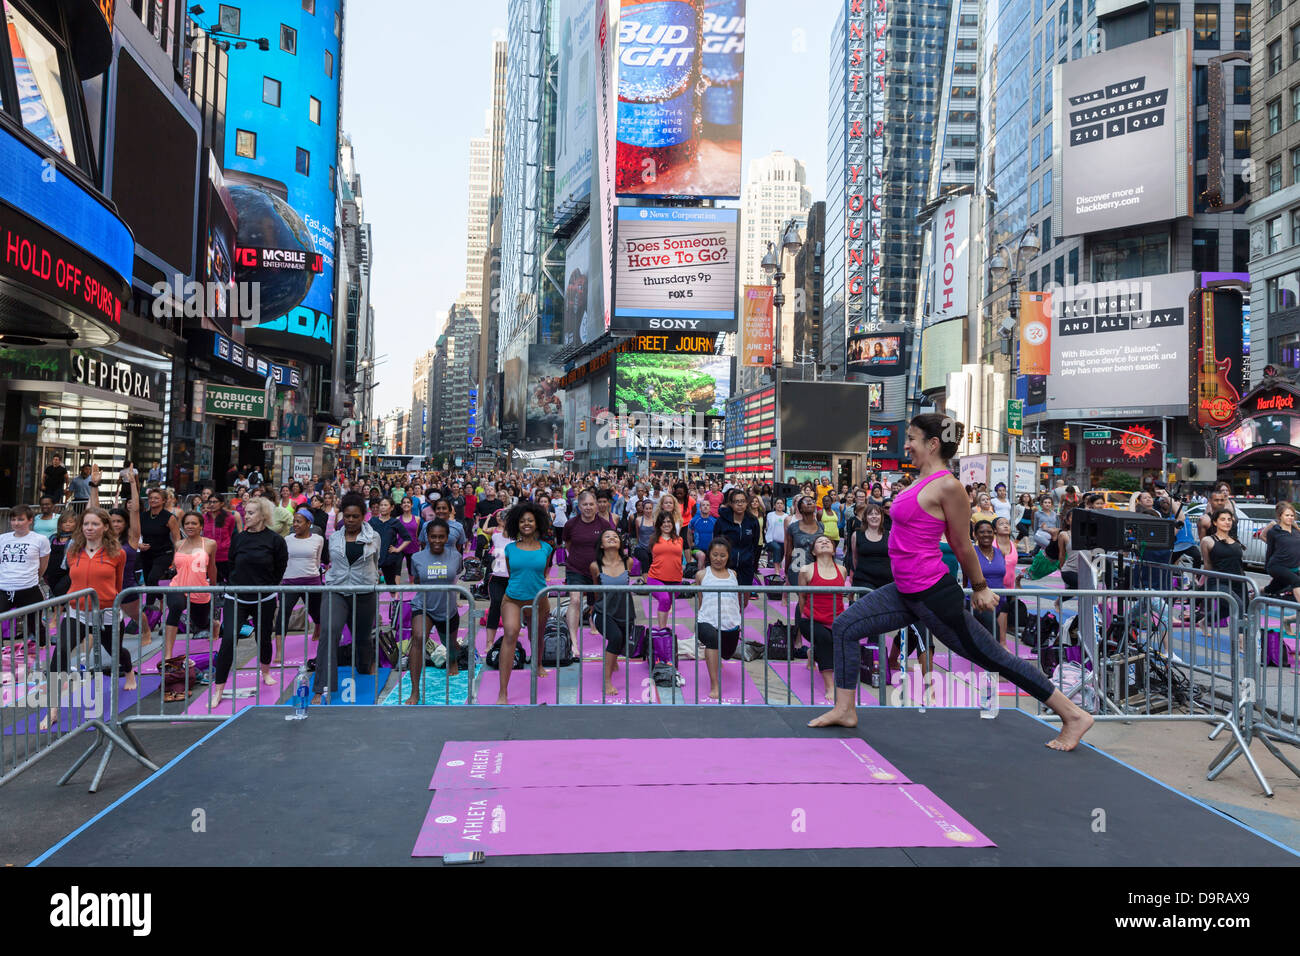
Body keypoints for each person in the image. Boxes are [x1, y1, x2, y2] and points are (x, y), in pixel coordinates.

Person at [810, 413, 1095, 751]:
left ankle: (1072, 714)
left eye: (912, 439)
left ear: (932, 444)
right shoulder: (918, 482)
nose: (907, 446)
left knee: (993, 657)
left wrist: (979, 587)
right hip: (904, 590)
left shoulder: (949, 486)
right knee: (845, 627)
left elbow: (961, 543)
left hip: (932, 594)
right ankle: (845, 709)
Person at [43, 506, 138, 730]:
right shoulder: (73, 551)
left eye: (95, 524)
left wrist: (112, 605)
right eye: (86, 524)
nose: (89, 528)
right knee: (62, 652)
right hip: (77, 612)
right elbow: (71, 579)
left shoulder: (118, 553)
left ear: (105, 526)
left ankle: (129, 671)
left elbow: (117, 585)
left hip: (105, 612)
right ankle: (53, 709)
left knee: (115, 649)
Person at [207, 498, 288, 707]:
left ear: (262, 516)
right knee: (228, 639)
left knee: (263, 637)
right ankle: (218, 689)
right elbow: (233, 562)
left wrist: (267, 585)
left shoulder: (275, 541)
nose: (246, 516)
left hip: (264, 597)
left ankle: (266, 671)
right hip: (237, 597)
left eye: (251, 513)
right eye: (246, 512)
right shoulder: (240, 539)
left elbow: (280, 567)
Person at [315, 494, 381, 704]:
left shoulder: (374, 537)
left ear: (364, 516)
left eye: (355, 516)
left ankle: (365, 668)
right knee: (329, 631)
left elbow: (376, 562)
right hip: (337, 590)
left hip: (364, 592)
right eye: (347, 516)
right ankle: (321, 687)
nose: (351, 520)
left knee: (362, 637)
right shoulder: (334, 537)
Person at [497, 502, 554, 705]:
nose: (526, 524)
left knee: (536, 636)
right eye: (522, 521)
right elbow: (513, 575)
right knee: (510, 633)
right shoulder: (510, 548)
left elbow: (544, 573)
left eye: (530, 520)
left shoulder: (547, 548)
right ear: (516, 524)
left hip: (539, 599)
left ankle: (537, 664)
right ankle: (502, 692)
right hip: (512, 599)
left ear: (537, 523)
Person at [407, 518, 465, 703]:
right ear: (426, 537)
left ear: (447, 537)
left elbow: (456, 575)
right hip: (423, 606)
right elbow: (416, 580)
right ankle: (415, 690)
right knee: (418, 638)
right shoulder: (416, 558)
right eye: (433, 537)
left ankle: (453, 660)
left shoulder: (456, 557)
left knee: (451, 645)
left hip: (447, 609)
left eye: (441, 537)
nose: (437, 541)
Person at [161, 512, 217, 691]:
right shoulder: (179, 544)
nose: (190, 526)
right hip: (178, 586)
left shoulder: (209, 544)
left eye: (194, 523)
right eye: (187, 524)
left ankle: (214, 624)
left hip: (200, 590)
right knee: (175, 608)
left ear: (201, 526)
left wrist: (214, 588)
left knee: (201, 623)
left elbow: (212, 567)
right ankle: (168, 655)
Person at [796, 534, 845, 704]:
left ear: (833, 550)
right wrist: (804, 618)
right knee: (825, 639)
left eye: (828, 541)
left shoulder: (842, 570)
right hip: (811, 620)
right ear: (814, 551)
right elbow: (802, 597)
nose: (824, 542)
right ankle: (830, 685)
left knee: (837, 642)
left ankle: (813, 653)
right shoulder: (806, 570)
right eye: (819, 541)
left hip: (836, 621)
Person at [693, 537, 743, 701]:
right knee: (713, 640)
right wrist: (702, 616)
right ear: (709, 555)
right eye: (715, 555)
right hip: (706, 621)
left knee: (727, 654)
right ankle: (715, 684)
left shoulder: (733, 574)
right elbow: (701, 599)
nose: (718, 559)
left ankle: (715, 656)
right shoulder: (701, 574)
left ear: (728, 556)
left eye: (722, 555)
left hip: (730, 624)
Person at [561, 491, 615, 641]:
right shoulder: (571, 524)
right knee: (575, 600)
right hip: (575, 569)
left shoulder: (604, 524)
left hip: (597, 570)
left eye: (591, 504)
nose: (588, 507)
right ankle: (573, 639)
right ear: (579, 506)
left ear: (596, 506)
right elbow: (568, 544)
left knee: (596, 602)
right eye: (585, 504)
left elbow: (610, 545)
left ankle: (593, 623)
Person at [274, 509, 326, 662]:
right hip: (290, 581)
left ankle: (317, 629)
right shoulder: (287, 539)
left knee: (317, 613)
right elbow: (282, 561)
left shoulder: (318, 539)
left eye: (299, 521)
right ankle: (279, 651)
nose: (295, 524)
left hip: (312, 580)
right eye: (294, 521)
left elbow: (318, 560)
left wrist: (312, 573)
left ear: (308, 524)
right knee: (282, 614)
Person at [590, 529, 631, 697]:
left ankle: (612, 660)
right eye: (607, 536)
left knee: (621, 642)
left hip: (624, 610)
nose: (612, 538)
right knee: (615, 637)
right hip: (602, 610)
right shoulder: (595, 566)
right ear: (601, 544)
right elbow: (596, 591)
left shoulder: (629, 562)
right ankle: (607, 681)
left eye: (615, 536)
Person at [0, 505, 51, 640]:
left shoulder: (40, 540)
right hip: (4, 588)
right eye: (13, 519)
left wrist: (32, 577)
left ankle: (43, 650)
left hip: (28, 588)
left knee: (34, 625)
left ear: (30, 520)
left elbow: (43, 564)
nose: (16, 523)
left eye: (21, 519)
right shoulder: (2, 539)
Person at [715, 487, 761, 591]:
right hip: (726, 565)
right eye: (736, 501)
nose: (740, 504)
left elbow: (755, 543)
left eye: (742, 501)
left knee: (744, 598)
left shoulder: (753, 521)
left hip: (746, 565)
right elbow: (715, 542)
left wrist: (751, 560)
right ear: (730, 503)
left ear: (746, 503)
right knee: (727, 597)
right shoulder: (721, 521)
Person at [646, 510, 685, 633]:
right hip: (655, 578)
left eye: (669, 521)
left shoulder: (679, 540)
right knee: (664, 599)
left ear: (673, 524)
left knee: (667, 604)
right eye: (663, 522)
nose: (666, 524)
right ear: (659, 524)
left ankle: (663, 629)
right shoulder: (654, 539)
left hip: (675, 580)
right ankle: (662, 630)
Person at [1265, 501, 1300, 608]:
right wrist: (1267, 567)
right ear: (1280, 516)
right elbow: (1269, 550)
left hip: (1292, 567)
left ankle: (1256, 593)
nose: (1290, 518)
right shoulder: (1274, 532)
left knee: (1275, 587)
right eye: (1287, 515)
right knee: (1296, 581)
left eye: (1292, 515)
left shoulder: (1296, 531)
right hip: (1277, 566)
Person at [369, 498, 407, 586]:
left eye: (385, 505)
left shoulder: (395, 522)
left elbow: (407, 538)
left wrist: (397, 549)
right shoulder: (373, 521)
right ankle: (374, 600)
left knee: (391, 584)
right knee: (372, 584)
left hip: (389, 558)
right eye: (381, 505)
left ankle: (394, 599)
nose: (382, 507)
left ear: (392, 507)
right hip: (374, 558)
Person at [784, 494, 822, 581]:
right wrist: (787, 571)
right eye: (806, 501)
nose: (809, 503)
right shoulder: (793, 527)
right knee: (802, 594)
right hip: (798, 565)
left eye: (812, 501)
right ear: (800, 508)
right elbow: (789, 551)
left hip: (816, 567)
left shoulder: (821, 525)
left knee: (813, 594)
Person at [687, 496, 717, 566]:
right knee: (702, 556)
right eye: (703, 505)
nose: (705, 507)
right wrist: (691, 545)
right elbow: (689, 534)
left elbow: (718, 535)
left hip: (711, 550)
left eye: (707, 505)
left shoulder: (714, 521)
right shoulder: (694, 521)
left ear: (710, 508)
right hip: (697, 549)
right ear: (700, 508)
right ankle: (699, 576)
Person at [765, 497, 788, 567]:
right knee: (777, 548)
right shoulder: (770, 515)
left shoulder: (786, 516)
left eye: (781, 503)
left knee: (780, 555)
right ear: (774, 505)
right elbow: (767, 527)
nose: (779, 505)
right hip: (772, 540)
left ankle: (779, 568)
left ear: (783, 506)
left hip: (783, 541)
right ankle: (776, 570)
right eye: (777, 503)